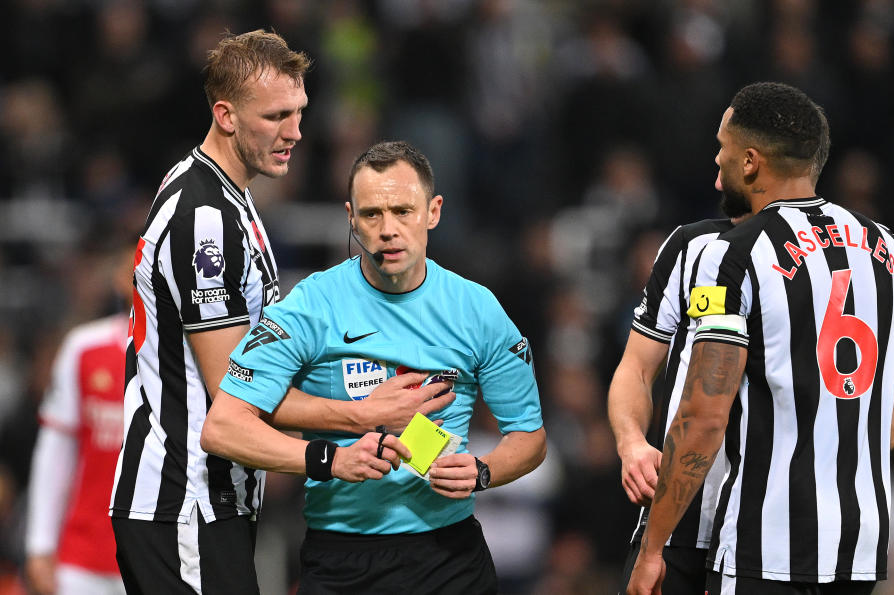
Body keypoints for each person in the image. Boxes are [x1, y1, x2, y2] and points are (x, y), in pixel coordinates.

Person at [110, 31, 451, 595]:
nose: (294, 132)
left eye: (298, 113)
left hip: (210, 503)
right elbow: (237, 396)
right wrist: (354, 424)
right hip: (184, 501)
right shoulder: (206, 222)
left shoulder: (225, 199)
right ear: (225, 115)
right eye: (274, 116)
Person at [629, 82, 894, 595]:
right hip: (858, 545)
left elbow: (704, 417)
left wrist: (652, 548)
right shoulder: (884, 245)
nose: (717, 160)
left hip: (766, 543)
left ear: (751, 162)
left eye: (723, 148)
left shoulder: (734, 255)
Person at [201, 140, 547, 593]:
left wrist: (483, 471)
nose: (388, 230)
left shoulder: (477, 309)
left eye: (403, 211)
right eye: (371, 215)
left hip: (450, 559)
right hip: (341, 559)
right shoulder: (311, 305)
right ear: (350, 218)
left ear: (434, 211)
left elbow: (530, 436)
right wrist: (332, 458)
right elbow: (222, 427)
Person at [24, 246, 133, 595]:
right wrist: (40, 544)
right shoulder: (84, 348)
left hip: (164, 553)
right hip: (83, 555)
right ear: (120, 278)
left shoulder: (195, 359)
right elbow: (55, 449)